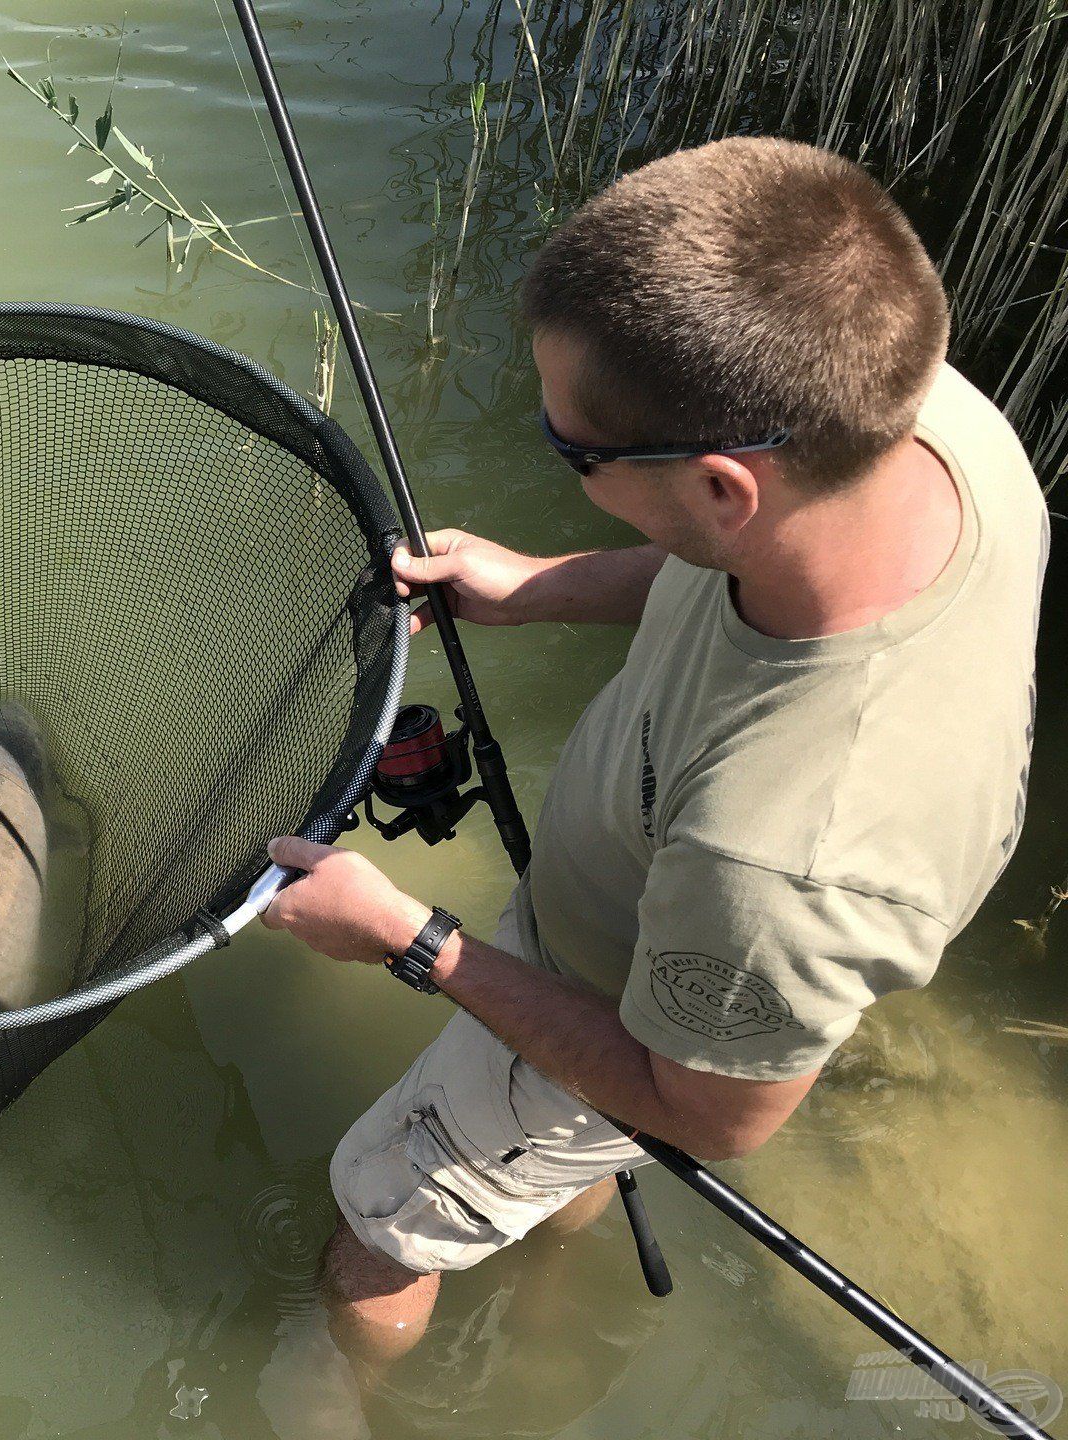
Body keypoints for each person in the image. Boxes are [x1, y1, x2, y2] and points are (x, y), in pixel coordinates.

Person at [259, 135, 1047, 1373]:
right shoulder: (918, 413)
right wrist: (536, 588)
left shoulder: (783, 863)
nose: (559, 461)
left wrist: (411, 940)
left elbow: (705, 1114)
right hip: (649, 928)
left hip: (642, 1017)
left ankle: (349, 1394)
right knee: (566, 1153)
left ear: (730, 487)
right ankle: (559, 1282)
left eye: (576, 455)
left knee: (379, 1228)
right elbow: (720, 561)